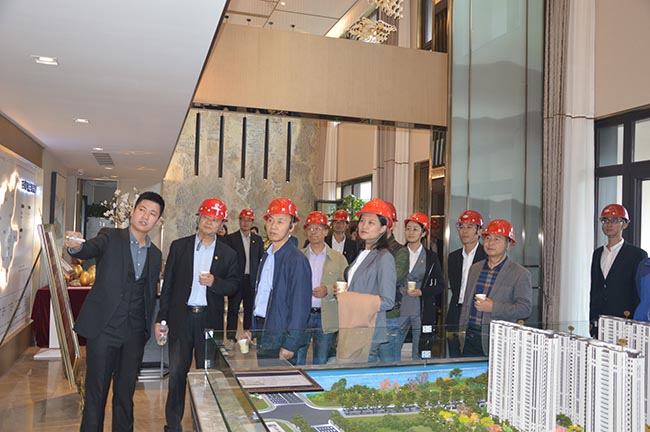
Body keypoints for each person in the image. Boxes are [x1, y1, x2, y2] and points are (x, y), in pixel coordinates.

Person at [64, 191, 165, 432]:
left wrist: (153, 324)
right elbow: (88, 249)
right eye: (142, 210)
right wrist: (76, 247)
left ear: (158, 221)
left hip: (134, 334)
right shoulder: (110, 237)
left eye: (153, 214)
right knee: (96, 393)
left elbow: (149, 294)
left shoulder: (156, 254)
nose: (145, 217)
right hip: (104, 330)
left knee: (125, 395)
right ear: (133, 211)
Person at [157, 198, 239, 432]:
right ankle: (173, 426)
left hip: (209, 321)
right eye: (206, 218)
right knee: (176, 375)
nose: (209, 223)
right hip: (181, 319)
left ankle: (205, 424)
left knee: (208, 376)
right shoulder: (179, 246)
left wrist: (215, 282)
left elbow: (234, 286)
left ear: (222, 224)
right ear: (199, 219)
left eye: (215, 220)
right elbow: (168, 286)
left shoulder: (228, 254)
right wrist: (162, 319)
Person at [458, 219, 532, 356]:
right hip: (470, 336)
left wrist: (494, 307)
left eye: (497, 239)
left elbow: (524, 309)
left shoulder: (520, 274)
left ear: (508, 244)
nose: (490, 243)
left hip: (499, 340)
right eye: (488, 238)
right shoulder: (475, 268)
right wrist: (461, 332)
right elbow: (467, 304)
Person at [251, 198, 312, 364]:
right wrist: (253, 330)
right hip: (264, 329)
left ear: (292, 226)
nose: (273, 226)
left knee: (280, 379)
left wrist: (291, 344)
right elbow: (262, 296)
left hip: (281, 334)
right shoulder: (267, 255)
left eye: (280, 221)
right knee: (265, 377)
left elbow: (300, 306)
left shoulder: (296, 260)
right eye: (270, 220)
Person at [346, 198, 397, 363]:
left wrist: (352, 299)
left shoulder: (384, 257)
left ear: (383, 228)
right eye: (362, 221)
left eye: (371, 222)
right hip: (353, 326)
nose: (364, 226)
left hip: (368, 330)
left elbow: (388, 301)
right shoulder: (362, 253)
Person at [297, 211, 348, 365]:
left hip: (326, 317)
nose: (313, 232)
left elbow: (346, 284)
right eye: (310, 228)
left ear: (326, 231)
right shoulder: (298, 257)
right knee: (298, 359)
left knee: (321, 361)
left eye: (318, 228)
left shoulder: (338, 259)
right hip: (301, 316)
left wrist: (328, 290)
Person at [590, 204, 648, 333]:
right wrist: (592, 320)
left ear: (625, 224)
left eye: (615, 220)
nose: (609, 224)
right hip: (600, 322)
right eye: (605, 220)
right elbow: (594, 289)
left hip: (626, 323)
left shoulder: (637, 255)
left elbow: (640, 294)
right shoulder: (597, 254)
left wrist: (636, 325)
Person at [400, 212, 445, 360]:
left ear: (424, 233)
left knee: (420, 349)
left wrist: (422, 291)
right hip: (400, 306)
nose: (410, 232)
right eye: (408, 228)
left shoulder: (431, 257)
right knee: (394, 345)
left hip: (421, 307)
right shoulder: (397, 254)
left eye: (415, 229)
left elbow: (440, 285)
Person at [446, 210, 486, 357]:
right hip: (455, 312)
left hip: (476, 314)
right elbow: (455, 287)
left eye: (469, 227)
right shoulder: (453, 257)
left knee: (473, 356)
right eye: (461, 227)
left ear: (479, 231)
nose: (464, 231)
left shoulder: (486, 256)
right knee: (454, 354)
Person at [223, 208, 264, 350]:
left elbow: (260, 260)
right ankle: (230, 338)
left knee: (250, 310)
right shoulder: (231, 239)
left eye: (248, 220)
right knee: (233, 309)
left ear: (252, 222)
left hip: (251, 280)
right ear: (239, 221)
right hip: (236, 280)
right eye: (243, 220)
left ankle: (249, 336)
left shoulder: (257, 240)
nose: (245, 223)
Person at [378, 201, 408, 362]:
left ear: (390, 225)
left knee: (389, 366)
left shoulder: (400, 251)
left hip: (389, 316)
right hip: (368, 315)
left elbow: (391, 279)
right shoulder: (367, 249)